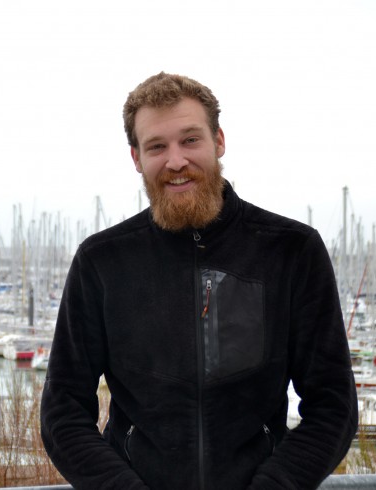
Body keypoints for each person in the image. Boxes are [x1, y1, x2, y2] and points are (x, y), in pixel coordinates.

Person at [40, 72, 358, 490]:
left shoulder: (292, 250)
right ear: (136, 158)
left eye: (190, 140)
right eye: (157, 146)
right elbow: (63, 409)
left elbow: (333, 405)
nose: (175, 161)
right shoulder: (102, 260)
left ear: (219, 141)